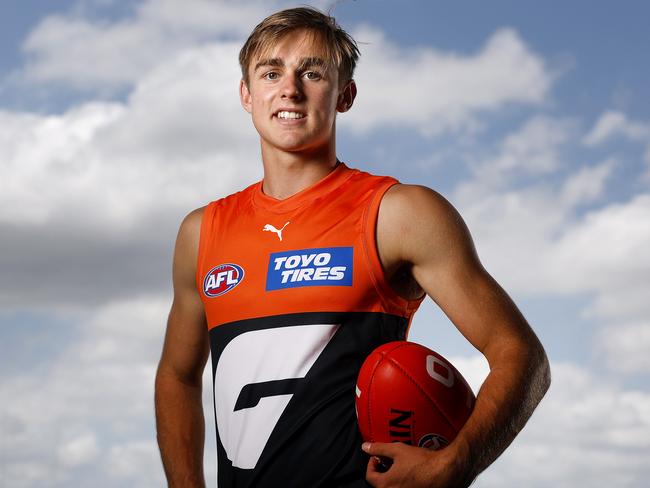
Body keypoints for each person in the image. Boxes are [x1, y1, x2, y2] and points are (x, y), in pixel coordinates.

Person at [155, 6, 551, 488]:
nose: (290, 88)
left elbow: (521, 354)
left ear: (345, 95)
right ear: (246, 94)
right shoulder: (202, 231)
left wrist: (455, 463)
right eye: (271, 72)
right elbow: (177, 375)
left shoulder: (399, 214)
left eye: (313, 72)